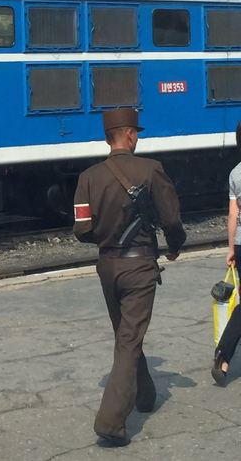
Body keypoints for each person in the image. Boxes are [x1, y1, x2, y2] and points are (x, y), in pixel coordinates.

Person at [73, 108, 186, 447]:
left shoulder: (87, 177)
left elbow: (81, 230)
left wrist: (108, 242)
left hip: (107, 267)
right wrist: (175, 246)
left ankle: (145, 395)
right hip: (139, 268)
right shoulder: (151, 170)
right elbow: (172, 220)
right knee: (129, 339)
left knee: (126, 334)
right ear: (130, 135)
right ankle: (111, 421)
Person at [211, 121, 241, 386]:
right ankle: (223, 353)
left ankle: (223, 355)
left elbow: (233, 215)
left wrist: (231, 248)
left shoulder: (235, 173)